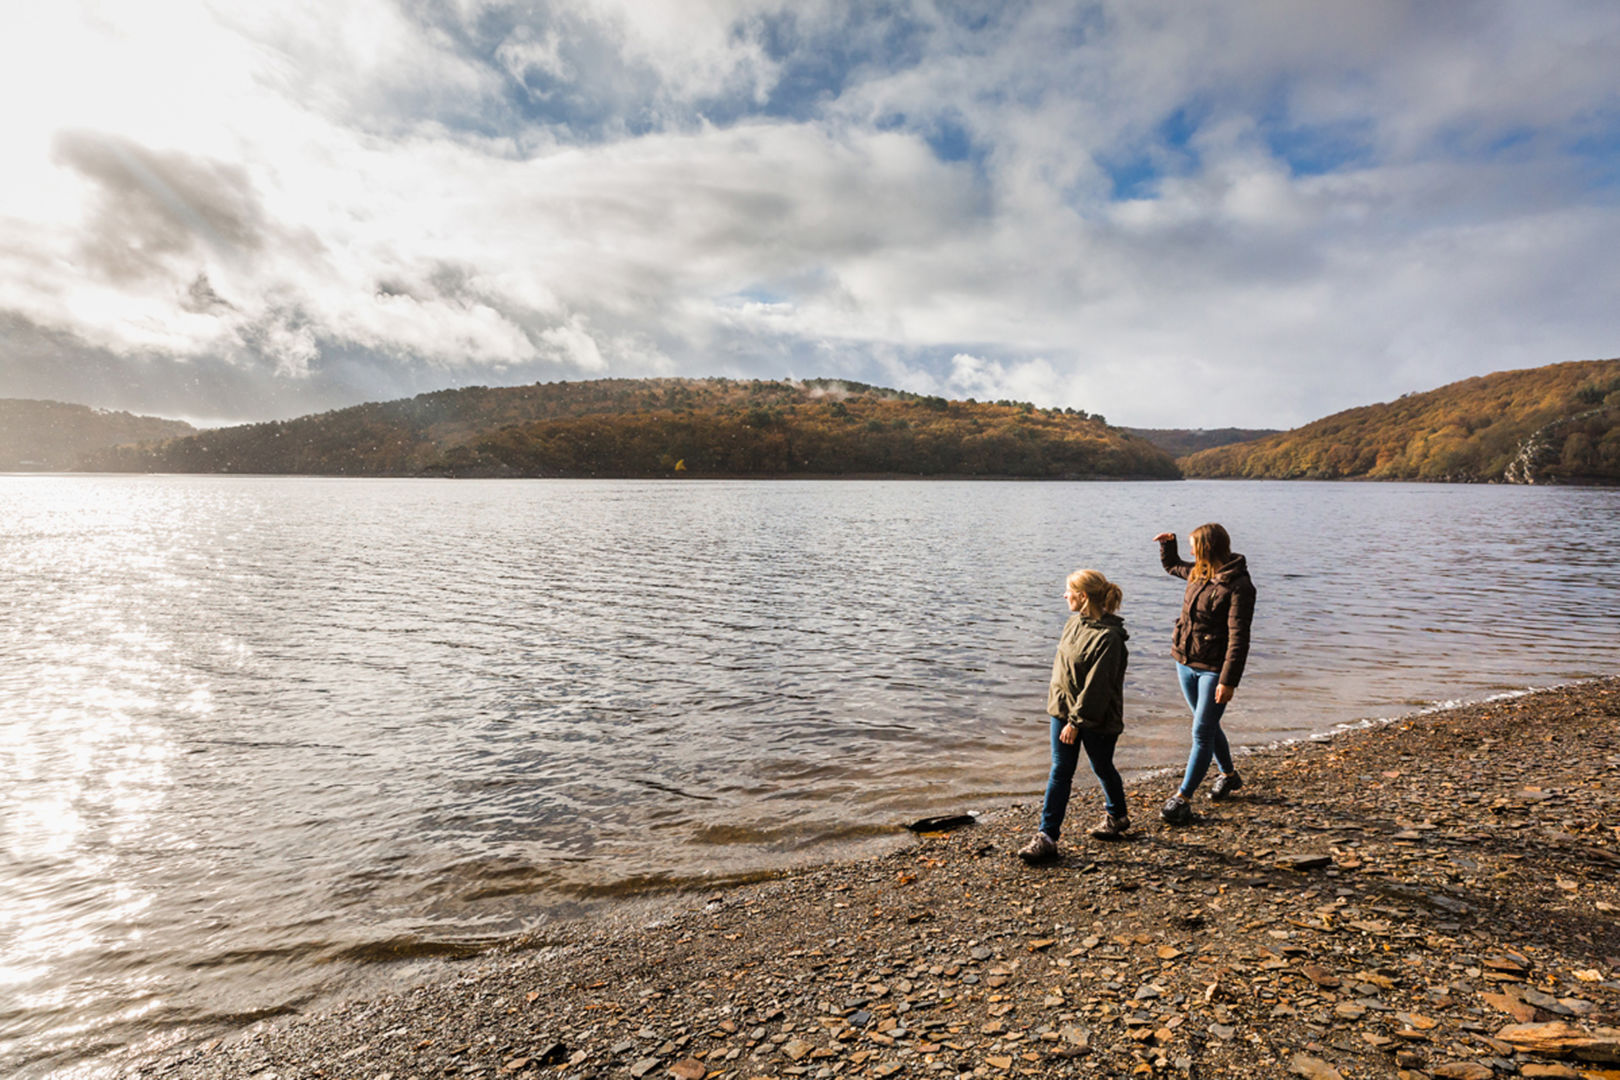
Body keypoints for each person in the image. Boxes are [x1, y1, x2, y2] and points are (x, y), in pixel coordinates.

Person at [1018, 569, 1131, 864]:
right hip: (1063, 712)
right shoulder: (1072, 623)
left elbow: (1098, 688)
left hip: (1096, 718)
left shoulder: (1109, 638)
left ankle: (1117, 816)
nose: (1064, 595)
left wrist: (1075, 722)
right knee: (1060, 771)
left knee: (1102, 767)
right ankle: (1047, 837)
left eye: (1068, 591)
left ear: (1082, 597)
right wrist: (1062, 712)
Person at [1152, 523, 1256, 825]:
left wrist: (1228, 681)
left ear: (1208, 548)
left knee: (1201, 731)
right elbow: (1172, 566)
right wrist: (1168, 545)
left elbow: (1239, 638)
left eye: (1194, 546)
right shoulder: (1200, 572)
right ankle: (1230, 775)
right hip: (1184, 661)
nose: (1192, 552)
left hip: (1214, 669)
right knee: (1206, 724)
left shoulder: (1240, 586)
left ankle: (1182, 798)